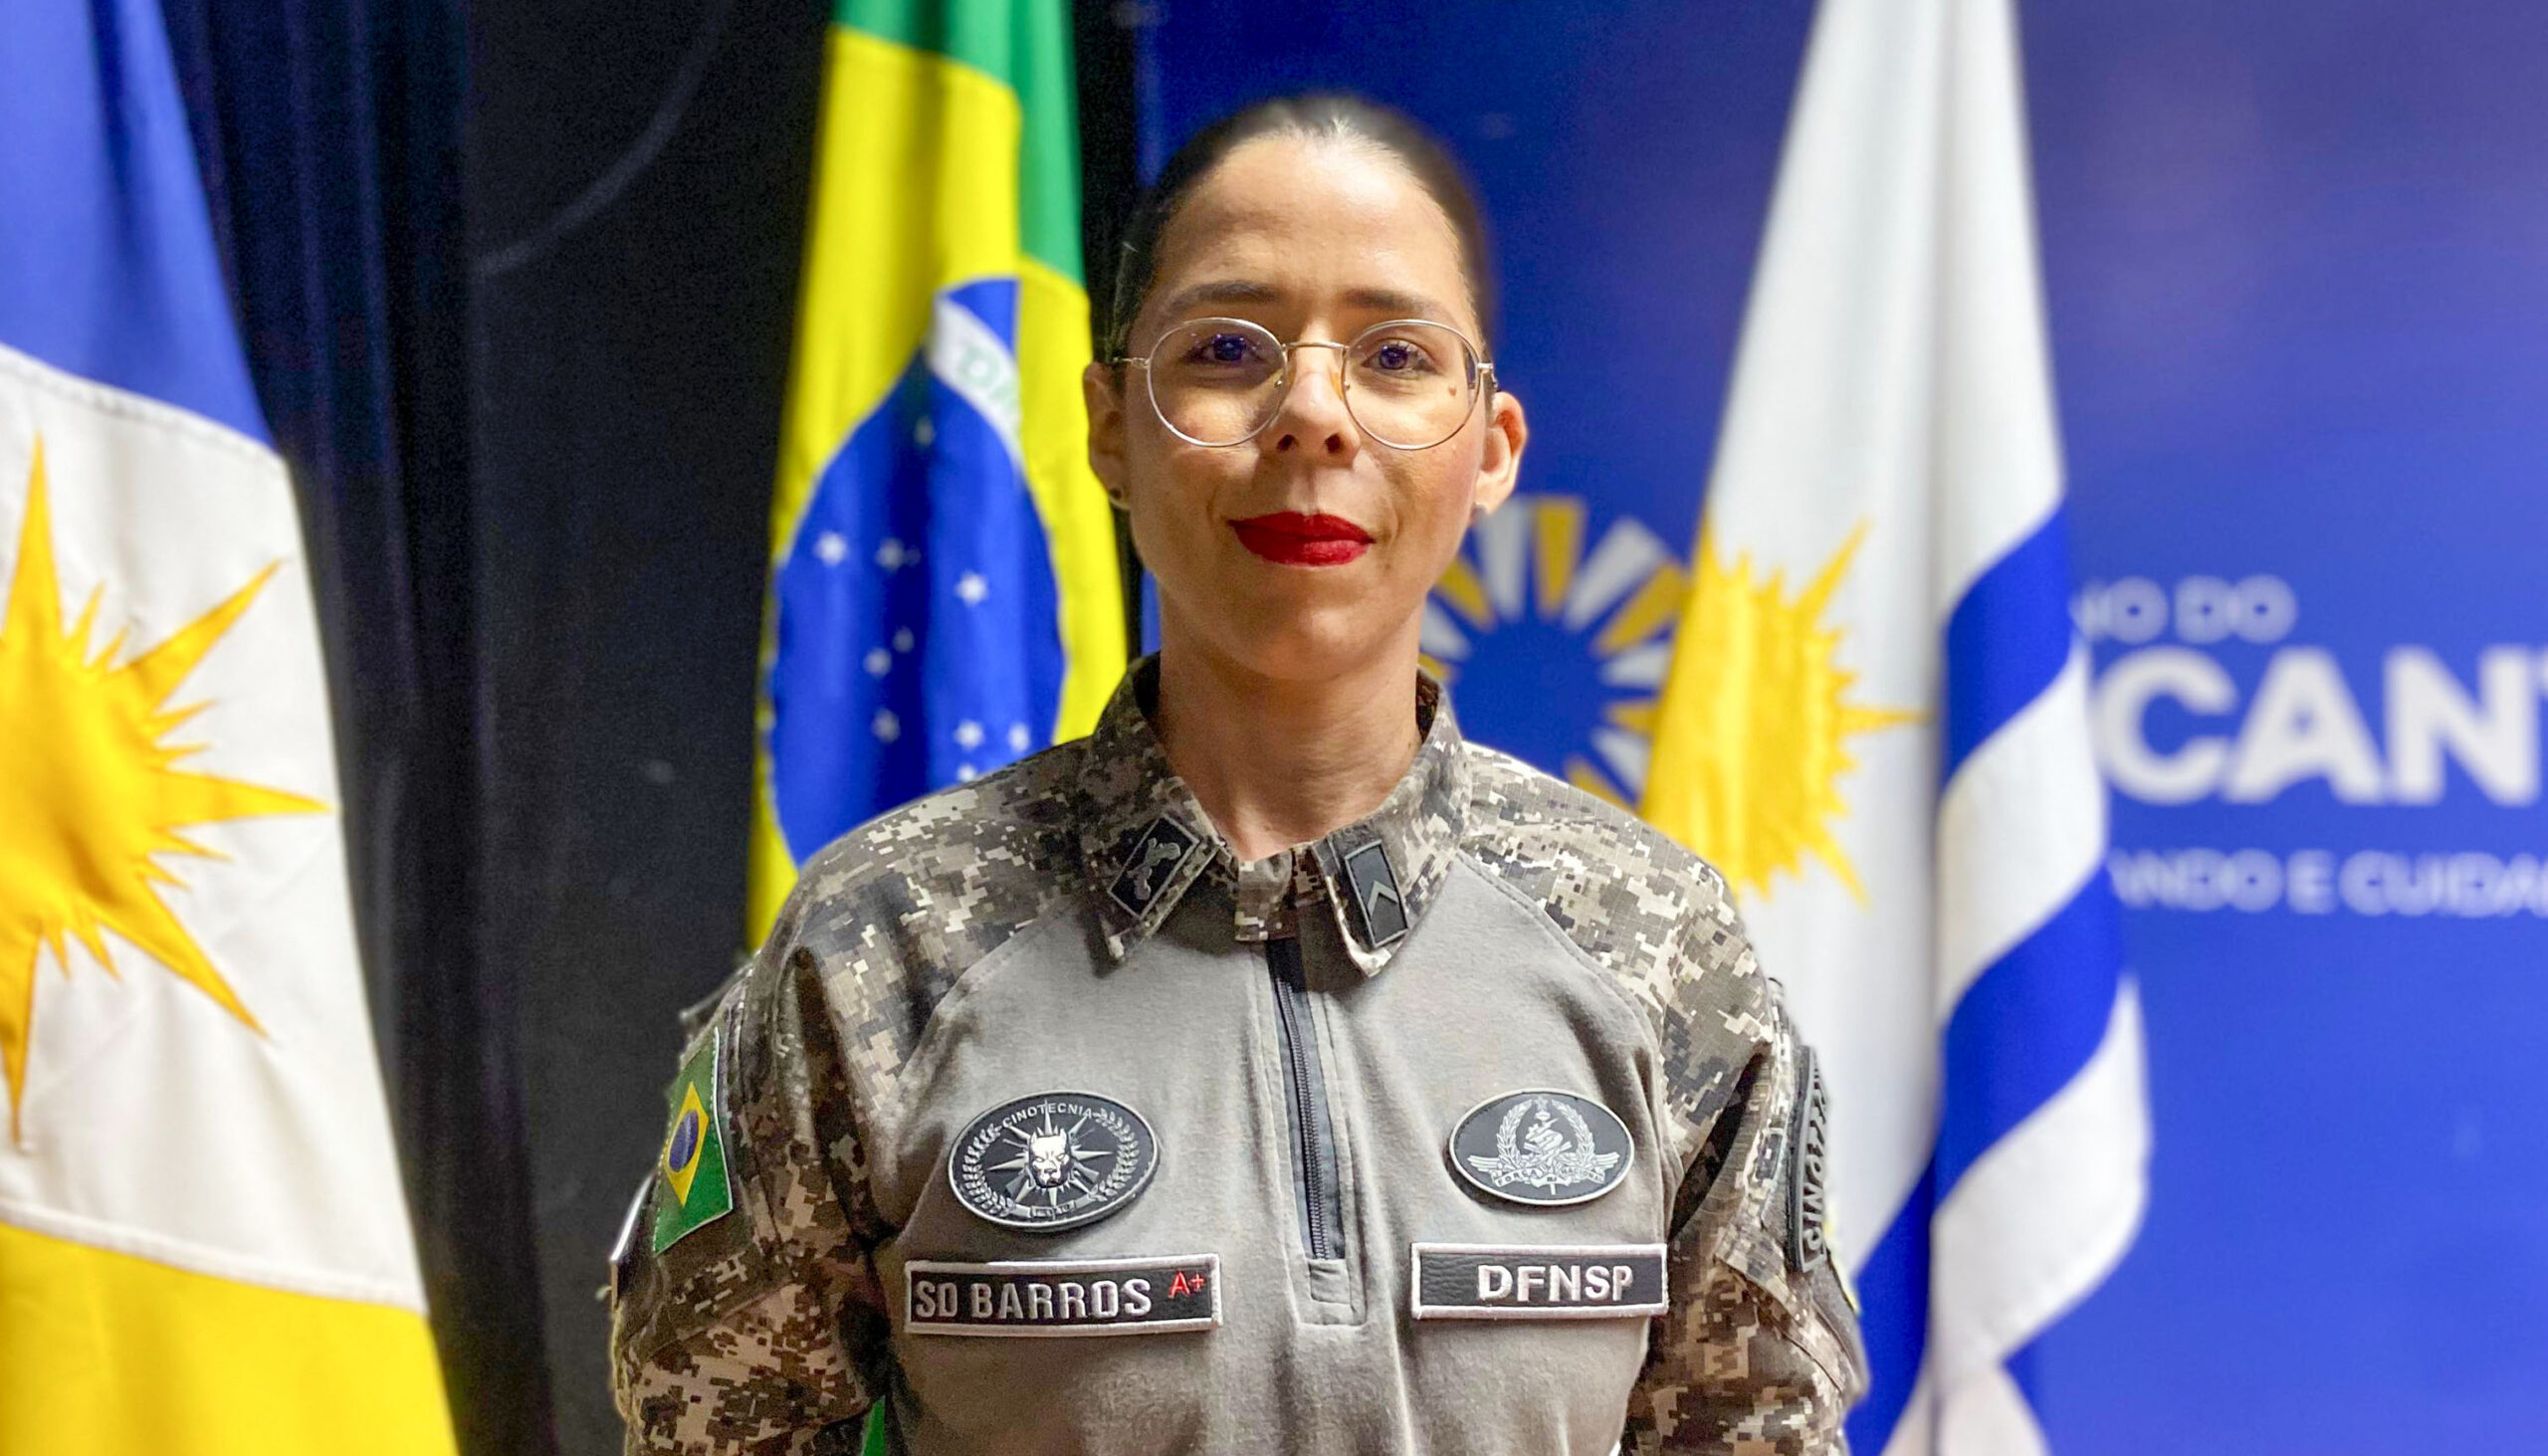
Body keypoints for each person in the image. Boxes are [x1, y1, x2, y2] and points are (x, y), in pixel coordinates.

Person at [608, 94, 1866, 1455]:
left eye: (1396, 356)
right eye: (1225, 349)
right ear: (1109, 429)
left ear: (1490, 448)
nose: (1313, 414)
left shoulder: (1651, 946)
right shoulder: (880, 949)